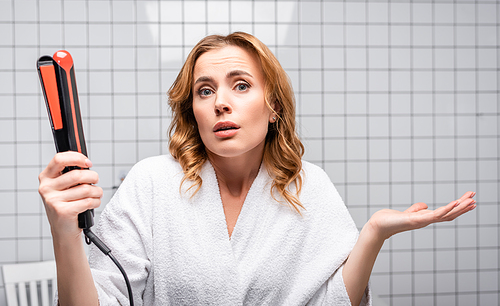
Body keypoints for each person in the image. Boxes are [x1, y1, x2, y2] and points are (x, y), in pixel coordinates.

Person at [38, 32, 476, 306]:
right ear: (193, 111)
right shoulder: (151, 182)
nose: (220, 102)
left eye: (241, 85)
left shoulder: (310, 187)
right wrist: (64, 233)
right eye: (204, 91)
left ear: (273, 108)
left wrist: (374, 233)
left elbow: (336, 302)